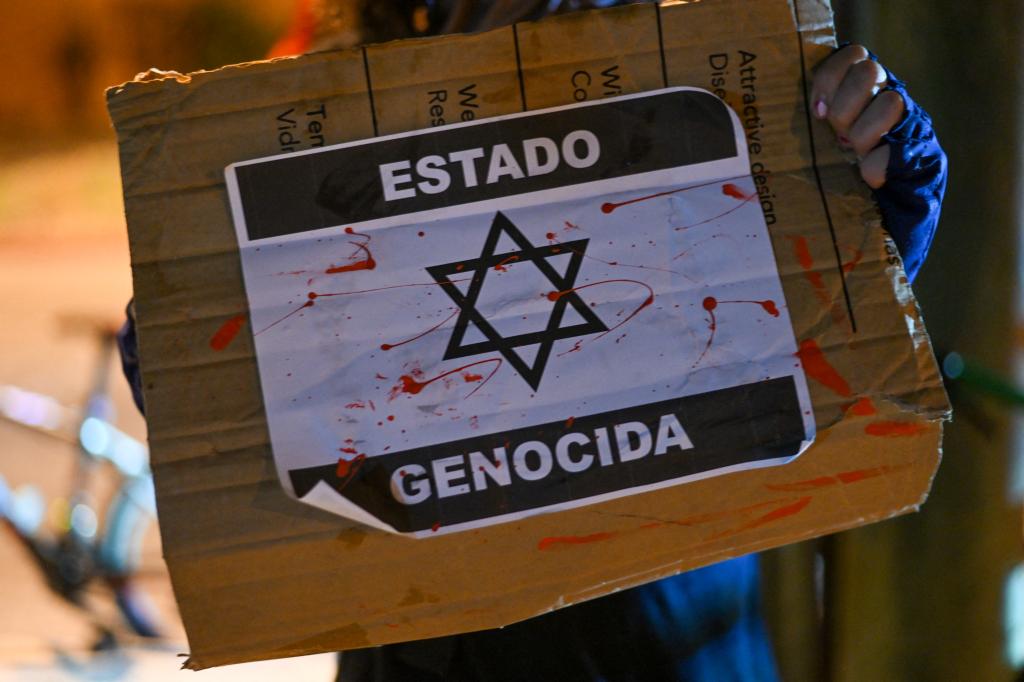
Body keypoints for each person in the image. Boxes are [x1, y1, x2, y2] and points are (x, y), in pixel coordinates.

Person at [119, 1, 947, 679]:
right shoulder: (322, 93)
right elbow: (238, 419)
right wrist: (187, 336)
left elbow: (819, 323)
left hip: (663, 633)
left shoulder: (694, 48)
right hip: (428, 644)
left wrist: (874, 168)